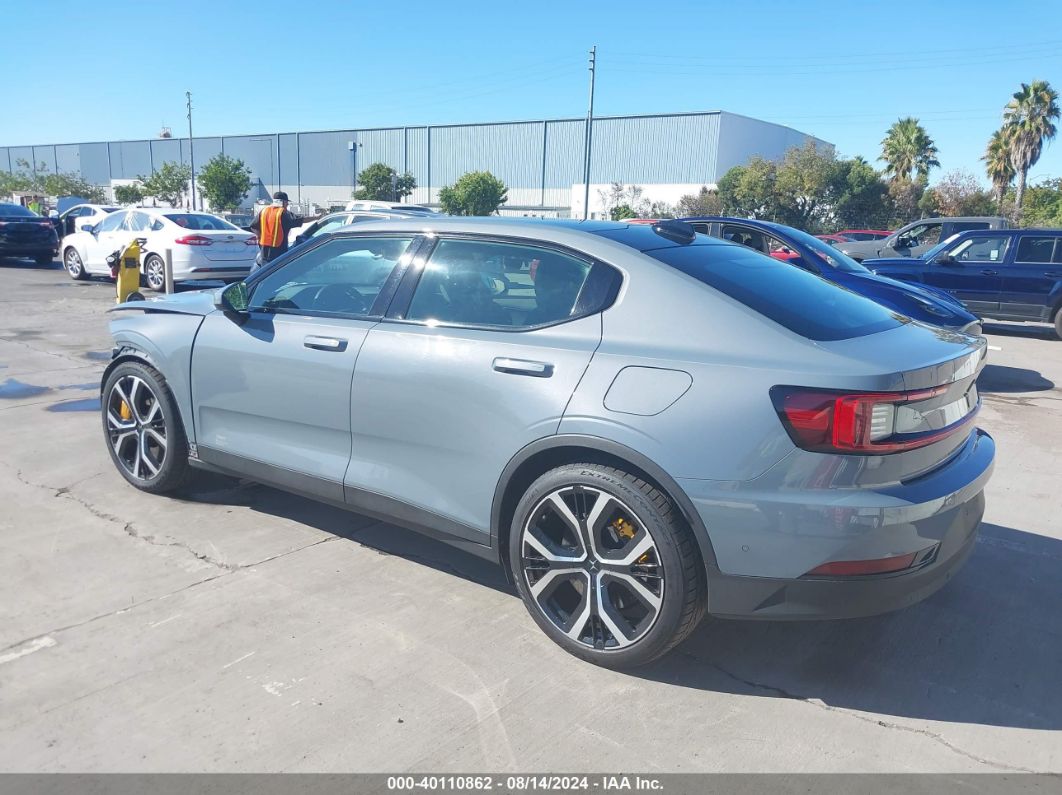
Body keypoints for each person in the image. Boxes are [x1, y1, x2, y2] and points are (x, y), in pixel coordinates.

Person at [250, 191, 304, 268]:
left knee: (266, 273)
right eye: (286, 202)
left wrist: (260, 237)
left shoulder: (264, 211)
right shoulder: (283, 213)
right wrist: (316, 217)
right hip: (279, 252)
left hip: (264, 252)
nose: (287, 204)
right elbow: (300, 220)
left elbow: (253, 226)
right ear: (282, 202)